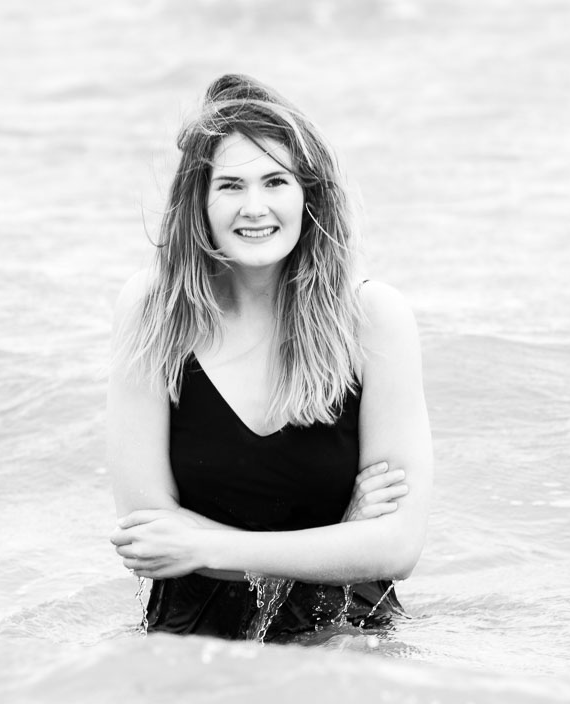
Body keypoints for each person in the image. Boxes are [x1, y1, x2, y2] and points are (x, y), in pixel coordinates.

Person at [108, 73, 432, 643]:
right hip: (187, 642)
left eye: (276, 181)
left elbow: (397, 549)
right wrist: (341, 537)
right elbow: (148, 539)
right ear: (198, 201)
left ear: (309, 194)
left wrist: (204, 545)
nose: (254, 208)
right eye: (231, 185)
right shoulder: (154, 311)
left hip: (344, 636)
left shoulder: (372, 319)